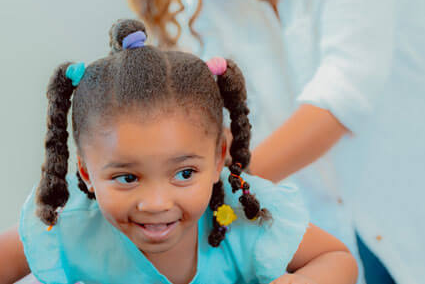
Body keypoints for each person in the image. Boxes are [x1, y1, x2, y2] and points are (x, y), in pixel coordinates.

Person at [127, 0, 425, 284]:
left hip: (406, 202)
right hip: (318, 233)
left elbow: (344, 92)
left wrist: (211, 190)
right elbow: (215, 133)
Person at [0, 19, 358, 284]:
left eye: (184, 173)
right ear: (86, 173)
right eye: (127, 177)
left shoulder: (240, 215)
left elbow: (336, 258)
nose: (157, 202)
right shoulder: (73, 223)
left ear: (219, 158)